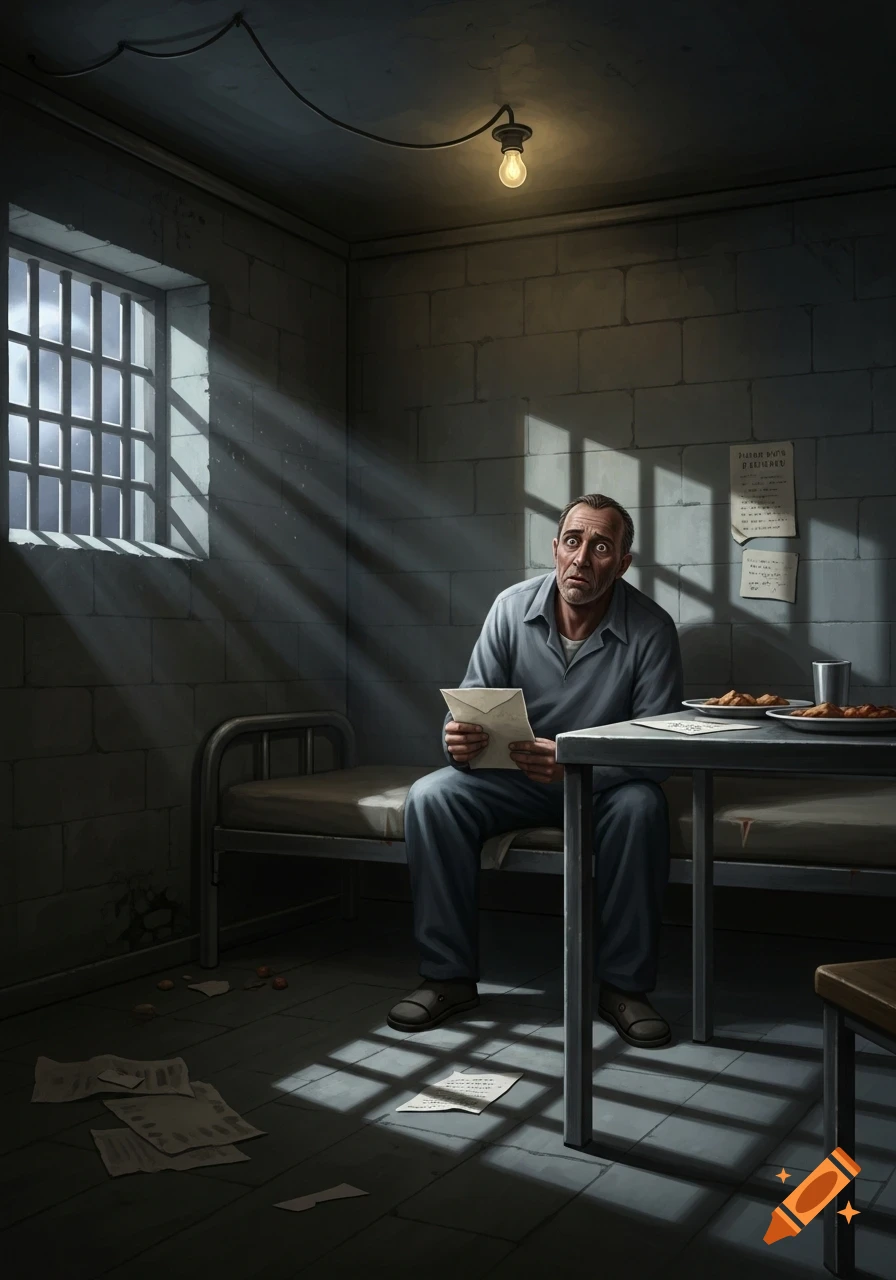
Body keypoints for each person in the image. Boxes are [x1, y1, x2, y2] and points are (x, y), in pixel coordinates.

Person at [387, 493, 683, 1048]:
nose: (582, 559)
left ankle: (624, 988)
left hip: (601, 787)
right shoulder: (509, 608)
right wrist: (455, 739)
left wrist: (575, 764)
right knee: (432, 797)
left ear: (622, 563)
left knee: (645, 804)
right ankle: (447, 977)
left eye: (601, 547)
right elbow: (470, 705)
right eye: (573, 542)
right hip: (514, 780)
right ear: (555, 548)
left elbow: (659, 750)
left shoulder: (652, 629)